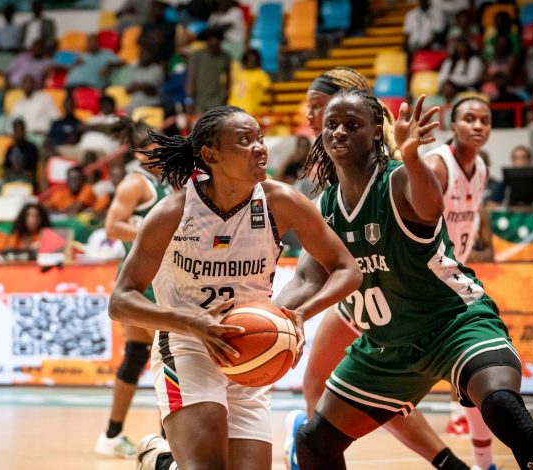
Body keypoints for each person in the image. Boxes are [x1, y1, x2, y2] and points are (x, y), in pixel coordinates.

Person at [284, 89, 533, 470]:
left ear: (376, 133)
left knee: (501, 405)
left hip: (453, 324)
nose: (339, 132)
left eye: (352, 125)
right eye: (332, 125)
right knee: (313, 442)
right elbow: (306, 278)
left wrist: (413, 157)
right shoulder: (325, 207)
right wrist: (270, 314)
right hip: (387, 346)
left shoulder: (398, 179)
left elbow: (431, 206)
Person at [109, 105, 362, 470]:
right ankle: (164, 461)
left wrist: (299, 314)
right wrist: (191, 322)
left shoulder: (282, 201)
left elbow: (347, 270)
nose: (260, 148)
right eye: (244, 141)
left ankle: (163, 463)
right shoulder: (172, 212)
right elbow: (120, 301)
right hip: (188, 345)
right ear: (211, 155)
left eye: (260, 138)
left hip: (249, 347)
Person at [283, 67, 469, 470]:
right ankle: (317, 449)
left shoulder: (392, 163)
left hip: (402, 287)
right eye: (314, 111)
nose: (311, 116)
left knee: (371, 389)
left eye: (318, 106)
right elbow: (311, 268)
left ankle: (317, 447)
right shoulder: (333, 164)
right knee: (327, 384)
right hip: (364, 288)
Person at [423, 96, 497, 469]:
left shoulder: (480, 167)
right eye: (469, 118)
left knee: (476, 368)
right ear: (453, 125)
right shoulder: (437, 165)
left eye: (485, 119)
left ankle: (484, 462)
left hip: (455, 276)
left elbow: (470, 217)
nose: (478, 125)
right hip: (425, 279)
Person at [96, 119, 174, 458]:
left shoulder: (164, 182)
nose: (163, 153)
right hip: (144, 282)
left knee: (138, 355)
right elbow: (113, 226)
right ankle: (169, 442)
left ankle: (112, 435)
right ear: (143, 153)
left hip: (152, 279)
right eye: (157, 149)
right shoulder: (134, 183)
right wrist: (153, 232)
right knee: (170, 358)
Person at [187, 29, 231, 114]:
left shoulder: (225, 57)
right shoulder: (197, 55)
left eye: (217, 39)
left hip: (217, 100)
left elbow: (228, 79)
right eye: (211, 39)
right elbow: (191, 78)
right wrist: (189, 100)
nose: (214, 42)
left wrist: (226, 96)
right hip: (199, 99)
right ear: (207, 41)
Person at [44, 166, 108, 216]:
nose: (74, 182)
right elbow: (45, 208)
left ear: (83, 180)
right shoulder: (62, 192)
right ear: (67, 181)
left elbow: (75, 210)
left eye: (77, 179)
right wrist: (59, 212)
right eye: (71, 179)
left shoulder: (87, 189)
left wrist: (56, 212)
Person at [227, 48, 271, 115]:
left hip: (249, 112)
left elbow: (269, 91)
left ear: (257, 61)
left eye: (253, 60)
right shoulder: (239, 72)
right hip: (231, 110)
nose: (250, 62)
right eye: (248, 59)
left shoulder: (260, 74)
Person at [4, 119, 39, 183]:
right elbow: (6, 170)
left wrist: (20, 172)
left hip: (27, 181)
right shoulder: (10, 149)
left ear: (24, 132)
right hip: (11, 180)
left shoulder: (32, 148)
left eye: (20, 131)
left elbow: (32, 172)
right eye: (16, 131)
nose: (18, 134)